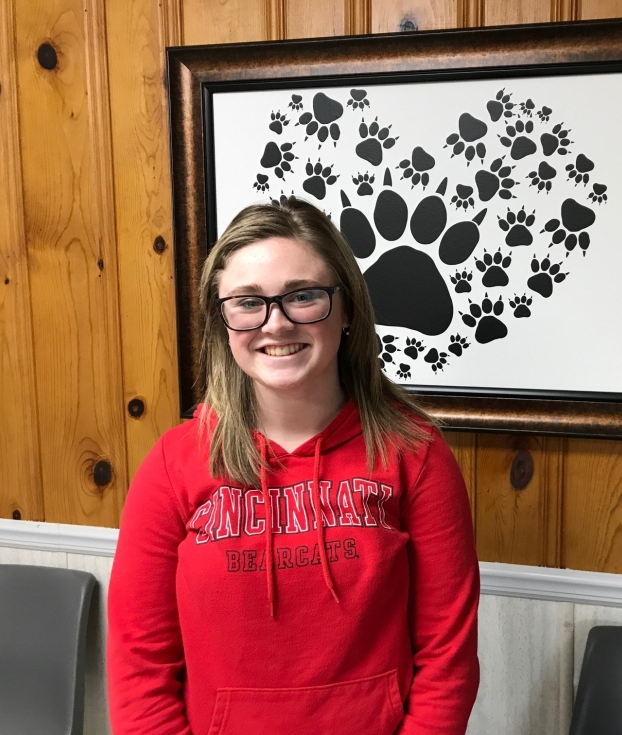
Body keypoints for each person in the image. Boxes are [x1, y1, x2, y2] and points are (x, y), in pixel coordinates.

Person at [107, 197, 480, 735]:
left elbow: (448, 658)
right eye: (247, 302)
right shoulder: (174, 463)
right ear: (222, 319)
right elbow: (139, 665)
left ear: (347, 307)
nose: (276, 324)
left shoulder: (415, 455)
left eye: (303, 296)